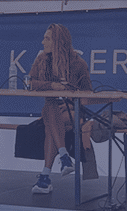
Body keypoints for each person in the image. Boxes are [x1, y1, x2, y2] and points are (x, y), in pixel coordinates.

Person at [29, 23, 91, 194]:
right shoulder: (41, 59)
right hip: (53, 112)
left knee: (49, 115)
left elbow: (88, 92)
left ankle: (46, 177)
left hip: (73, 111)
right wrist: (52, 86)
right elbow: (31, 83)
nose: (43, 42)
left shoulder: (78, 63)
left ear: (58, 41)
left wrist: (71, 100)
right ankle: (61, 159)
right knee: (50, 108)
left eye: (47, 39)